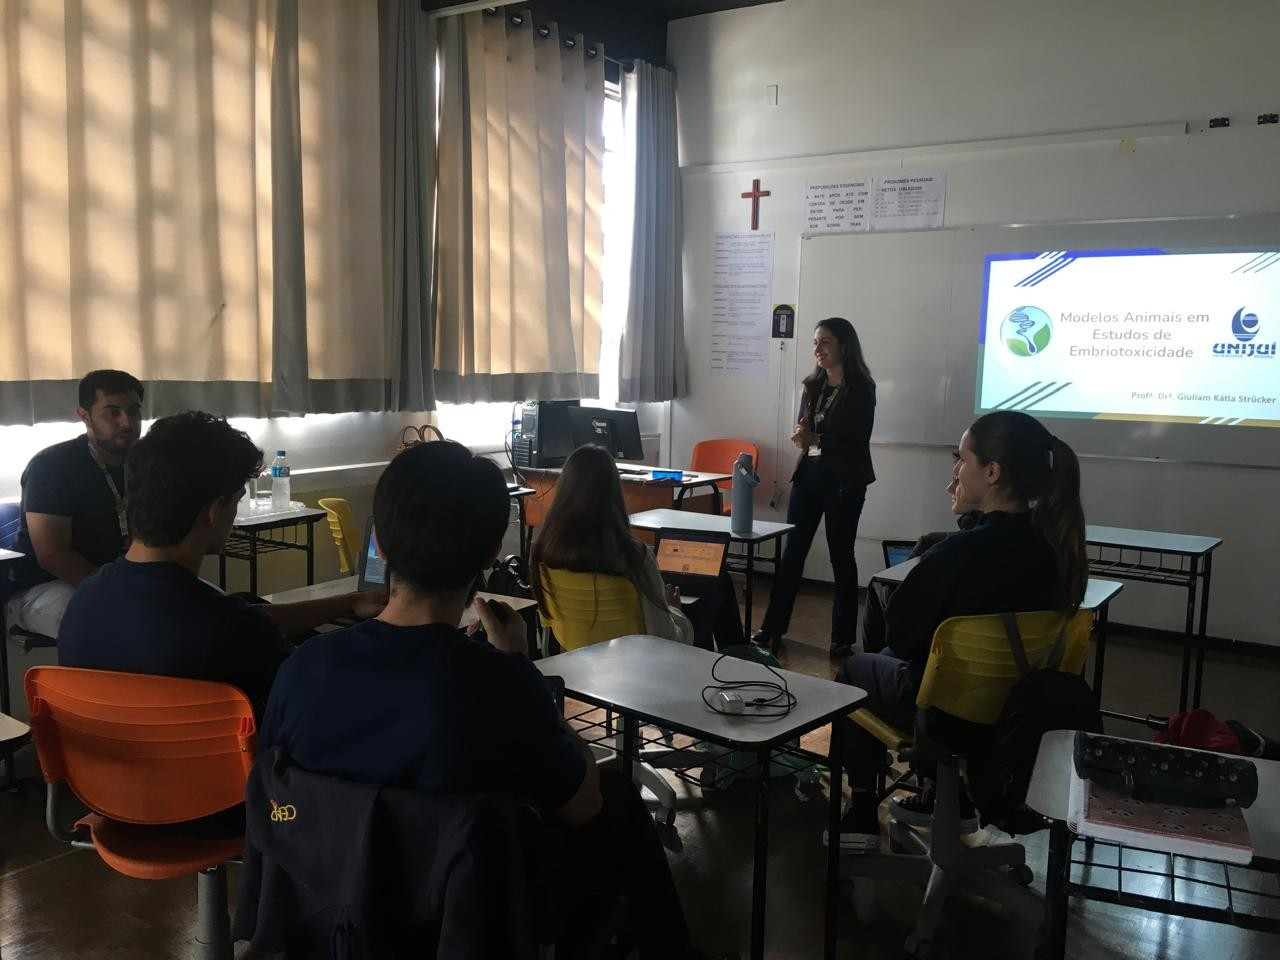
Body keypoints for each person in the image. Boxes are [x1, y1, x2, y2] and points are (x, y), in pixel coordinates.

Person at [258, 441, 730, 960]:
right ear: (488, 556)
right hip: (462, 920)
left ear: (381, 547)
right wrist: (520, 666)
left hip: (332, 916)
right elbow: (582, 807)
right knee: (615, 798)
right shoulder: (499, 683)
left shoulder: (302, 669)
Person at [832, 410, 1088, 850]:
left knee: (855, 670)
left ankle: (861, 811)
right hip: (1017, 713)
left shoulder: (958, 554)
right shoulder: (1056, 550)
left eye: (963, 459)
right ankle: (946, 795)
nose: (956, 470)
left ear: (992, 472)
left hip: (950, 715)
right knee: (890, 662)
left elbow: (902, 637)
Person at [58, 411, 386, 722]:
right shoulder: (226, 629)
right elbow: (315, 698)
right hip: (241, 763)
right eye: (237, 499)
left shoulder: (85, 601)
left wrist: (347, 602)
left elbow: (246, 620)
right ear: (215, 510)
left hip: (112, 764)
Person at [751, 318, 876, 657]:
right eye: (815, 343)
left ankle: (842, 637)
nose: (818, 349)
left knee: (841, 555)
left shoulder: (861, 387)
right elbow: (807, 428)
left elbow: (856, 441)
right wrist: (803, 436)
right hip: (809, 475)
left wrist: (816, 439)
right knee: (793, 553)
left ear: (844, 346)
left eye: (826, 342)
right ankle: (772, 626)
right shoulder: (813, 386)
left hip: (844, 481)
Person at [6, 370, 144, 639]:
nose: (127, 422)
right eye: (113, 413)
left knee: (198, 611)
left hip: (121, 579)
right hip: (45, 585)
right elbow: (52, 555)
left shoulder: (145, 464)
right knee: (124, 626)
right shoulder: (52, 466)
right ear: (84, 416)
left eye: (134, 411)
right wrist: (119, 591)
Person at [531, 443, 701, 647]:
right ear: (615, 492)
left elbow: (549, 622)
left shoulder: (543, 552)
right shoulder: (635, 557)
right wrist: (674, 609)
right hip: (639, 664)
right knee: (708, 604)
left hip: (577, 660)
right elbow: (666, 641)